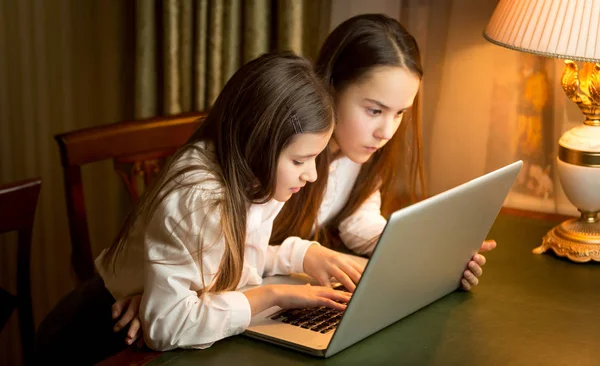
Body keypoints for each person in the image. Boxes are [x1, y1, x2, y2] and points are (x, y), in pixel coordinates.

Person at [112, 14, 497, 346]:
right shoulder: (255, 168)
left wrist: (437, 256)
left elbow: (249, 256)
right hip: (129, 317)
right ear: (328, 88)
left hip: (214, 304)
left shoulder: (325, 158)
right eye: (375, 110)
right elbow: (183, 282)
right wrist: (157, 291)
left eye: (399, 114)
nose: (386, 131)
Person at [35, 52, 363, 365]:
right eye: (299, 160)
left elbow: (229, 263)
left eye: (314, 158)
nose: (312, 174)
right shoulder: (200, 196)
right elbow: (166, 325)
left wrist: (301, 254)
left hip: (147, 326)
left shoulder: (253, 176)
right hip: (96, 339)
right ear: (256, 142)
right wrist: (270, 296)